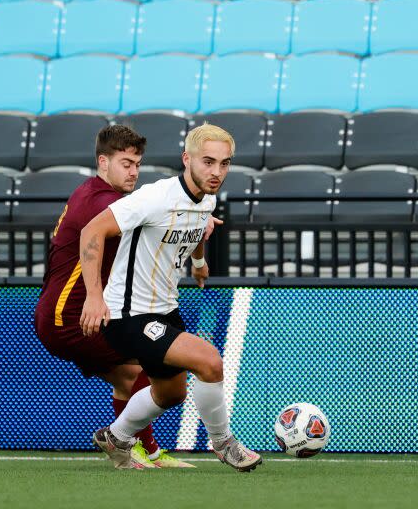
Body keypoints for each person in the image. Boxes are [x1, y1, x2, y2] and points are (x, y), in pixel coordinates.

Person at [79, 123, 262, 472]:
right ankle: (224, 444)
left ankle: (116, 436)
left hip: (164, 309)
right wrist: (93, 297)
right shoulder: (155, 197)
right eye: (208, 162)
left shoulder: (206, 197)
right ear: (187, 159)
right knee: (209, 361)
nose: (216, 171)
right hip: (127, 314)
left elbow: (198, 225)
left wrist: (199, 262)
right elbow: (93, 229)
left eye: (224, 164)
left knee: (171, 394)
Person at [34, 124, 211, 469]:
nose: (133, 171)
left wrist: (195, 231)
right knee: (158, 359)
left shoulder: (98, 194)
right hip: (69, 317)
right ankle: (132, 446)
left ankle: (142, 451)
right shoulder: (103, 203)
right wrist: (95, 297)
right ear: (103, 161)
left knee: (129, 378)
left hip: (60, 315)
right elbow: (154, 219)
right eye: (125, 163)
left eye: (137, 164)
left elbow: (160, 217)